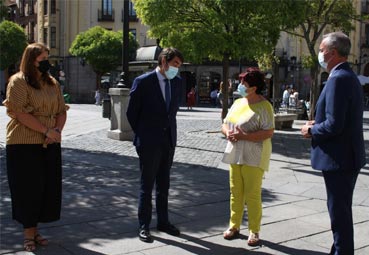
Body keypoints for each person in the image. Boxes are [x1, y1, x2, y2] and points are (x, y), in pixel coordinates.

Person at [301, 32, 366, 255]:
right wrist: (317, 121)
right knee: (340, 212)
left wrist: (311, 129)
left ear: (333, 52)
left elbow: (334, 125)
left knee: (339, 214)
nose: (320, 53)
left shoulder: (338, 78)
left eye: (321, 50)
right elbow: (341, 119)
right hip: (347, 157)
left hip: (339, 159)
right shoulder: (348, 75)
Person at [3, 43, 68, 252]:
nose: (47, 63)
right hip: (24, 143)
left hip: (50, 142)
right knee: (27, 190)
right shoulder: (18, 82)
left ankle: (35, 229)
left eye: (48, 58)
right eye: (43, 59)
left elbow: (61, 109)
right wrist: (45, 131)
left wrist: (56, 131)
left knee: (47, 189)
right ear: (31, 60)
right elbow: (19, 113)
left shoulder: (52, 83)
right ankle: (28, 234)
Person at [126, 47, 184, 243]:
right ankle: (144, 225)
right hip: (149, 142)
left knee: (164, 185)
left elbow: (172, 112)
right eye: (175, 64)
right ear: (164, 61)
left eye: (179, 65)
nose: (177, 68)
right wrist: (143, 134)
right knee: (147, 185)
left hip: (168, 141)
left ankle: (163, 222)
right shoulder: (143, 82)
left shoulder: (177, 82)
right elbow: (131, 113)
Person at [221, 67, 274, 246]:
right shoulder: (238, 102)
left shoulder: (265, 106)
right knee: (235, 191)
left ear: (254, 87)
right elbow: (225, 124)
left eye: (244, 82)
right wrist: (228, 133)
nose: (241, 84)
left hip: (255, 154)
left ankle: (254, 230)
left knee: (252, 193)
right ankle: (234, 226)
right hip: (235, 153)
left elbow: (268, 132)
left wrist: (244, 136)